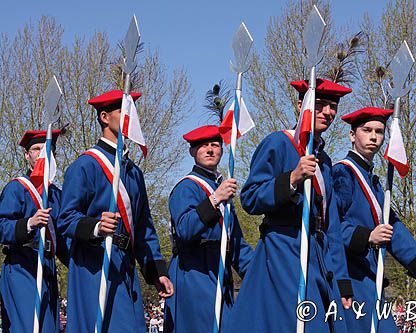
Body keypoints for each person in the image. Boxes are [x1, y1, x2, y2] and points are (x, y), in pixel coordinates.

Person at [227, 78, 353, 333]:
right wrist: (292, 179)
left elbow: (333, 228)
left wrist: (342, 281)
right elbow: (250, 197)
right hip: (282, 251)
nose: (328, 112)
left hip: (319, 256)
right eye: (320, 105)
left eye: (333, 106)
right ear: (301, 105)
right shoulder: (278, 143)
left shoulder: (325, 161)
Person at [58, 90, 174, 332]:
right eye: (124, 111)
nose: (131, 116)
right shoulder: (85, 166)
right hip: (94, 264)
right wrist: (97, 226)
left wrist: (156, 272)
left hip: (125, 265)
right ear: (104, 117)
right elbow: (65, 220)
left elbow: (143, 228)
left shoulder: (133, 172)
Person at [331, 106, 416, 332]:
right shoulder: (342, 173)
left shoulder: (375, 181)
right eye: (366, 130)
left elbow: (393, 227)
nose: (374, 137)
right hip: (349, 275)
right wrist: (367, 236)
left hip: (371, 275)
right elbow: (331, 225)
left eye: (379, 131)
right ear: (352, 135)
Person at [164, 125, 253, 332]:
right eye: (204, 146)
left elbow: (237, 243)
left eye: (215, 145)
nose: (211, 149)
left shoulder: (221, 189)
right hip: (194, 270)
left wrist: (260, 271)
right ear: (193, 151)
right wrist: (214, 200)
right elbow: (185, 229)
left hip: (220, 270)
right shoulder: (187, 186)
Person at [0, 129, 68, 332]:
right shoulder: (16, 188)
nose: (42, 154)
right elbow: (1, 226)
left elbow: (64, 240)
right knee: (29, 327)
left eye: (47, 150)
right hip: (21, 264)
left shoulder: (57, 194)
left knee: (49, 327)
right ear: (27, 154)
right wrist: (29, 223)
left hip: (47, 265)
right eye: (36, 149)